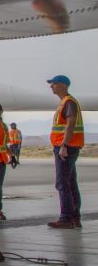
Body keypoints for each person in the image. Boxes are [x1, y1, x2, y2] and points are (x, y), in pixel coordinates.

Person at [47, 75, 83, 229]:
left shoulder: (68, 102)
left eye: (53, 84)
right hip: (70, 146)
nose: (51, 87)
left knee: (62, 183)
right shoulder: (66, 102)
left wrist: (63, 145)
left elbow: (70, 124)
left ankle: (66, 218)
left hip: (66, 147)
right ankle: (75, 217)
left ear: (62, 85)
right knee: (70, 182)